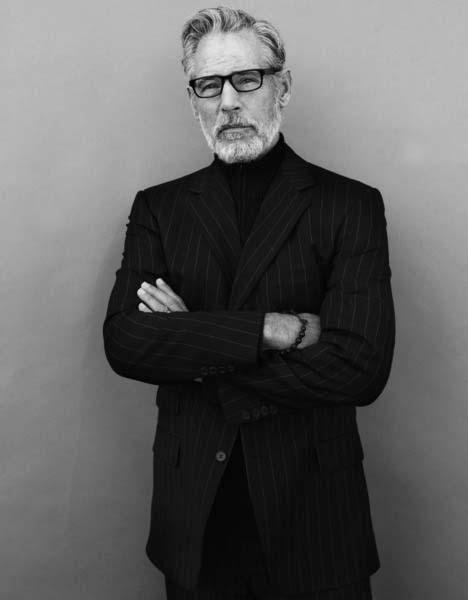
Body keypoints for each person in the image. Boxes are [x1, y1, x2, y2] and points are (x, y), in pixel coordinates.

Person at [103, 6, 395, 600]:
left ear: (282, 86)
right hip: (196, 521)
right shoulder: (159, 208)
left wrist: (194, 340)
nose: (229, 101)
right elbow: (126, 342)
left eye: (246, 78)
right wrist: (273, 329)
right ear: (193, 99)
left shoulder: (351, 204)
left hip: (316, 517)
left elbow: (360, 367)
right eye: (209, 85)